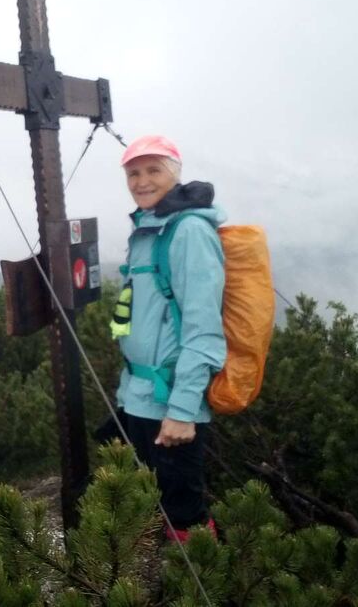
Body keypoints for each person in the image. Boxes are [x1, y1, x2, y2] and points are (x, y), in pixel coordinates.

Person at [112, 135, 227, 541]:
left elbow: (204, 330)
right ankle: (170, 569)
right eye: (133, 173)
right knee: (156, 502)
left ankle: (201, 575)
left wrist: (182, 410)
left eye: (153, 170)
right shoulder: (148, 228)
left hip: (172, 403)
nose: (142, 181)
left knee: (184, 515)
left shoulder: (189, 231)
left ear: (175, 174)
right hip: (140, 397)